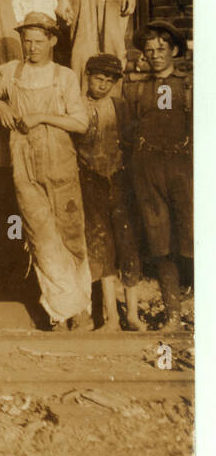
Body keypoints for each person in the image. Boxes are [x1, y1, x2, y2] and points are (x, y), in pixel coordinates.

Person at [0, 12, 92, 328]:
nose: (32, 48)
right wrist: (0, 104)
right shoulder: (13, 72)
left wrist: (41, 116)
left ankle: (81, 309)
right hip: (24, 162)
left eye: (38, 41)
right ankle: (59, 310)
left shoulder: (65, 77)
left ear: (52, 41)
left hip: (60, 161)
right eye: (26, 41)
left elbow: (80, 123)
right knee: (40, 235)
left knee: (71, 233)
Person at [122, 20, 191, 329]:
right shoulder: (136, 89)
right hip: (148, 169)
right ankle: (173, 315)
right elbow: (129, 129)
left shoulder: (188, 85)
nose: (155, 55)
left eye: (161, 49)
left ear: (174, 50)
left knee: (194, 239)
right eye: (149, 50)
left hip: (185, 169)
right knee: (160, 243)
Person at [77, 53, 143, 331]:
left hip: (118, 180)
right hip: (89, 182)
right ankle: (110, 318)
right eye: (97, 79)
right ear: (87, 78)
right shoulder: (77, 106)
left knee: (127, 243)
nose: (102, 85)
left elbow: (131, 141)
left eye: (108, 81)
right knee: (99, 245)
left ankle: (133, 315)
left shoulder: (120, 106)